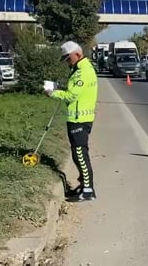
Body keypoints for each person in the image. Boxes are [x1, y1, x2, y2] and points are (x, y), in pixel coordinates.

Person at [45, 41, 99, 202]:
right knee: (78, 153)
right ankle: (84, 185)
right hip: (77, 117)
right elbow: (72, 91)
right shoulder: (78, 70)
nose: (67, 62)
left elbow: (71, 96)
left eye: (68, 58)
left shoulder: (83, 72)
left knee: (80, 154)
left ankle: (88, 190)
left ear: (76, 54)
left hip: (80, 119)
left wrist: (52, 93)